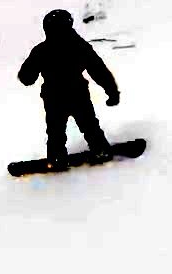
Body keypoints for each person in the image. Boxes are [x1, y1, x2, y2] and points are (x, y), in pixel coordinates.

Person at [18, 9, 120, 170]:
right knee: (90, 127)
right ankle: (100, 150)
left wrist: (32, 70)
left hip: (54, 98)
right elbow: (98, 70)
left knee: (56, 133)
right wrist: (112, 92)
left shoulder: (41, 51)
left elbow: (26, 79)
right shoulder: (79, 46)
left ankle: (57, 159)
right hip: (77, 95)